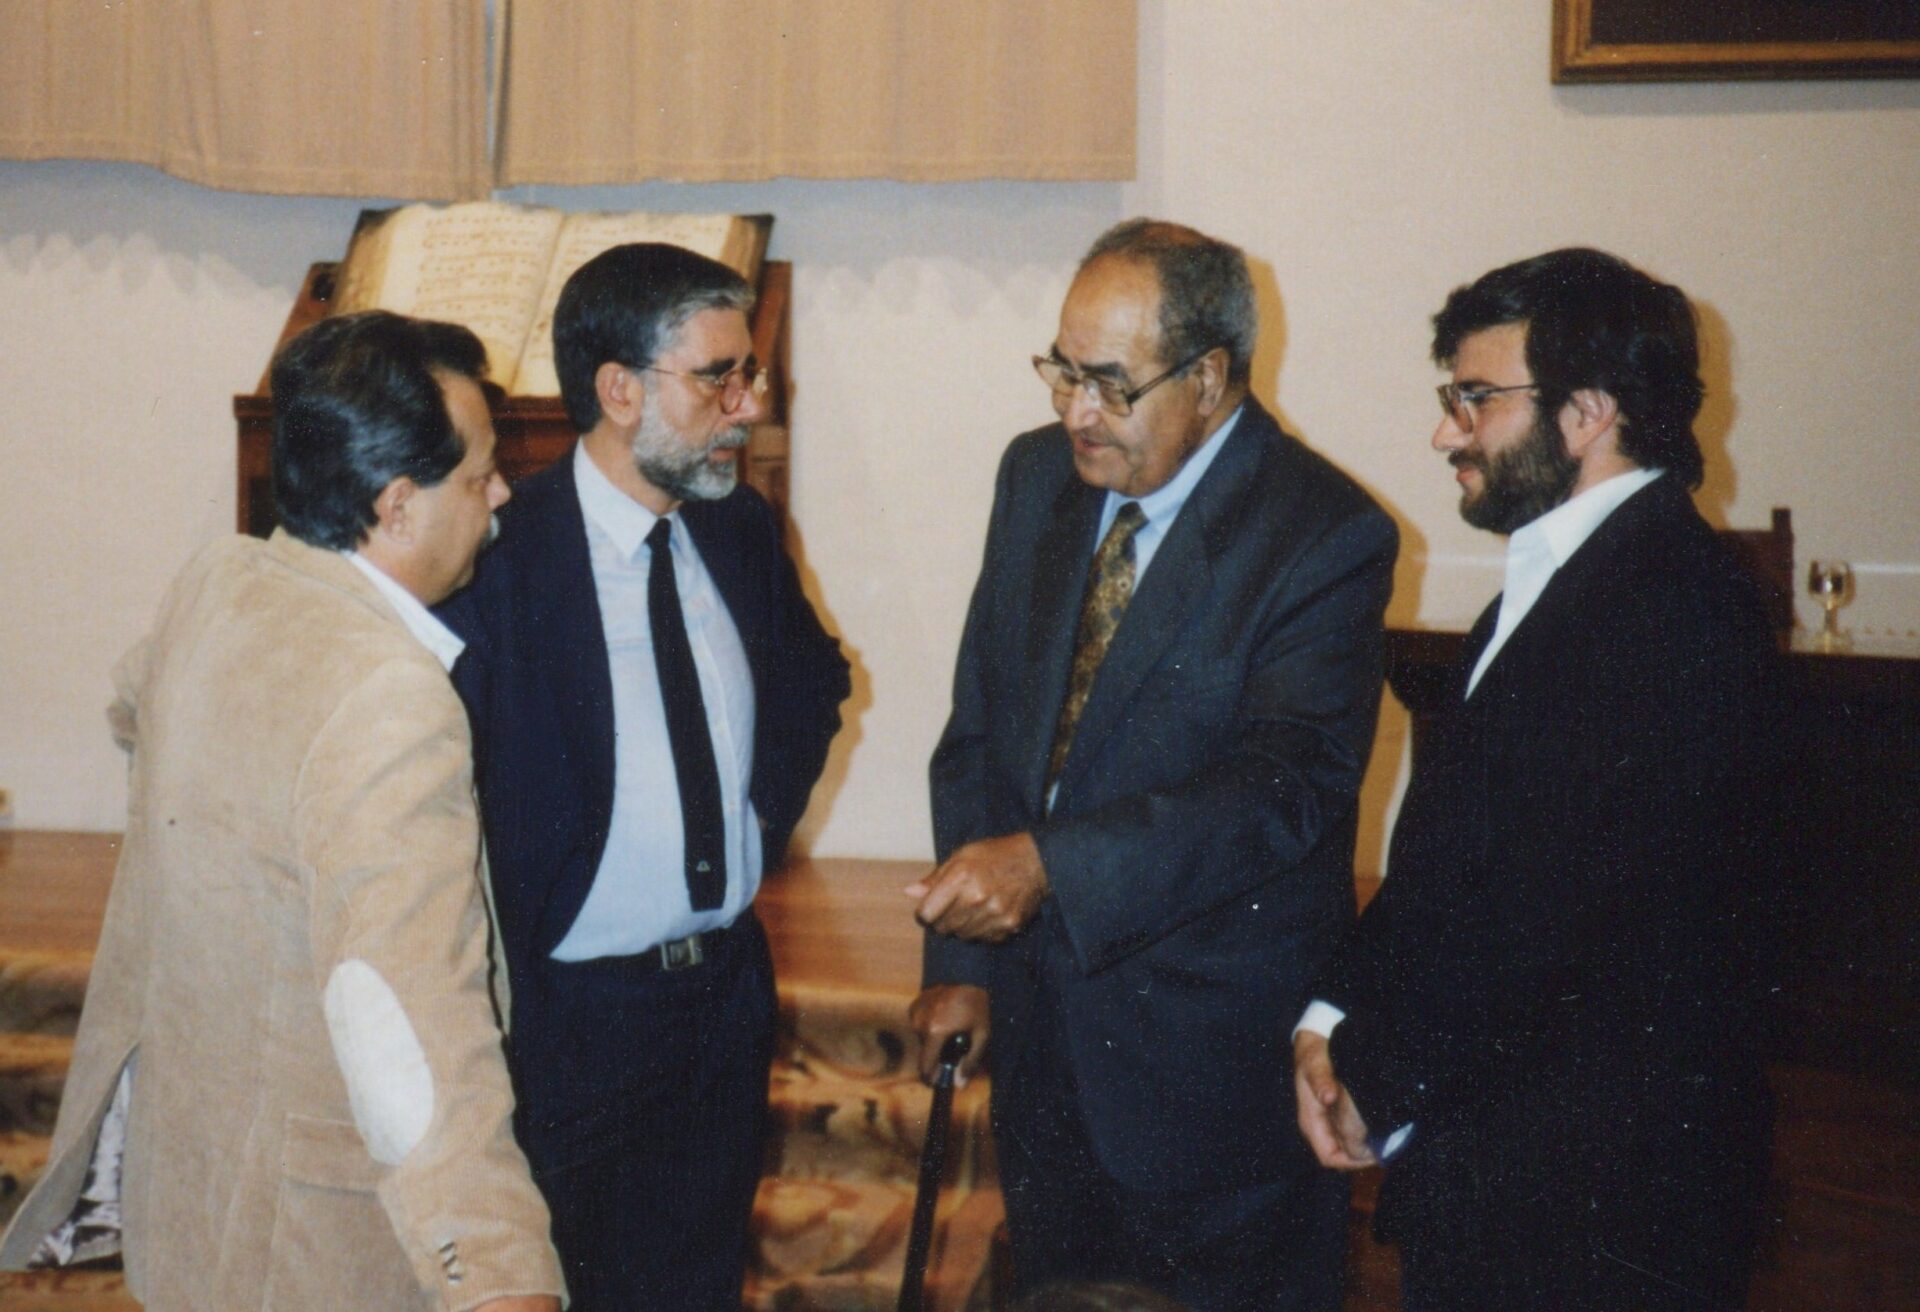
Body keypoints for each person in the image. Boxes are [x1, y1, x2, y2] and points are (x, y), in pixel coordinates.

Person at [0, 312, 564, 1310]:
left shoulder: (219, 583)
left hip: (189, 1198)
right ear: (396, 505)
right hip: (311, 1244)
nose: (502, 494)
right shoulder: (389, 696)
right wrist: (496, 1275)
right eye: (478, 476)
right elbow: (409, 1023)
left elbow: (135, 701)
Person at [908, 219, 1397, 1311]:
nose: (1077, 412)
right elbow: (985, 727)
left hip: (1208, 1081)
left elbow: (1286, 786)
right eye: (1063, 372)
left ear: (1211, 377)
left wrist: (1048, 868)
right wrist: (963, 961)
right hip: (1045, 1056)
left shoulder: (1325, 532)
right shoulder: (1036, 477)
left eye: (1111, 385)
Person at [1294, 248, 1780, 1311]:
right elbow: (1446, 860)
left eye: (1476, 398)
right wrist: (1330, 1015)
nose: (1445, 431)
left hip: (1599, 1207)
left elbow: (1542, 915)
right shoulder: (1571, 580)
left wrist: (1376, 1072)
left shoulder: (1672, 607)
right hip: (1520, 1172)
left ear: (1590, 409)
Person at [441, 243, 850, 1311]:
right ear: (619, 390)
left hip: (718, 1000)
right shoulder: (502, 559)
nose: (748, 404)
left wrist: (752, 825)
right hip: (568, 1016)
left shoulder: (738, 527)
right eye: (719, 375)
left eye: (749, 373)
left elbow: (814, 683)